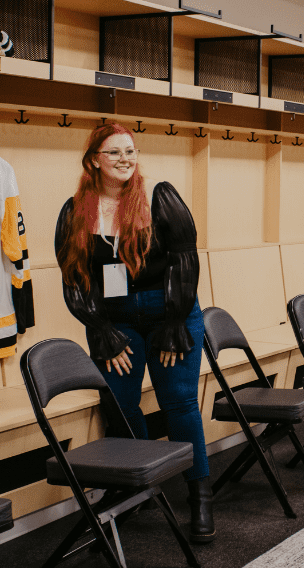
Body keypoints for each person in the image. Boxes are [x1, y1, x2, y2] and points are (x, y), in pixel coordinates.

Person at [55, 122, 214, 543]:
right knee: (120, 406)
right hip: (117, 323)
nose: (126, 160)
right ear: (94, 160)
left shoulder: (159, 199)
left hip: (171, 315)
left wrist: (177, 320)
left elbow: (185, 264)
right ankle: (138, 486)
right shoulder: (75, 212)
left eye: (131, 151)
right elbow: (75, 279)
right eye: (115, 153)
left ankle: (199, 495)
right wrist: (100, 328)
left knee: (178, 402)